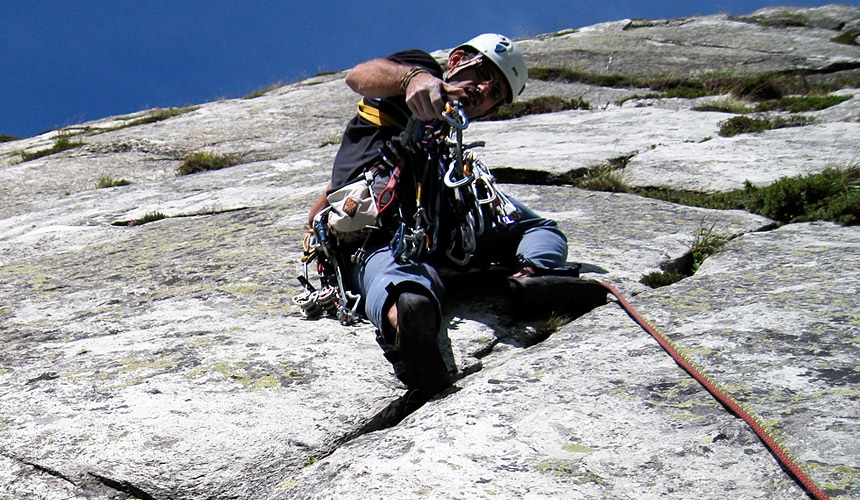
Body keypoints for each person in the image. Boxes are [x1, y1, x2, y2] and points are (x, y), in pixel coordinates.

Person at [306, 34, 569, 400]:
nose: (484, 89)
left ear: (490, 112)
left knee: (537, 228)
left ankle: (532, 275)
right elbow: (359, 75)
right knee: (389, 264)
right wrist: (412, 79)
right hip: (383, 220)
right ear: (458, 59)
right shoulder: (418, 77)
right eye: (483, 73)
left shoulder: (449, 133)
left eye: (495, 92)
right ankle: (407, 318)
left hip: (446, 214)